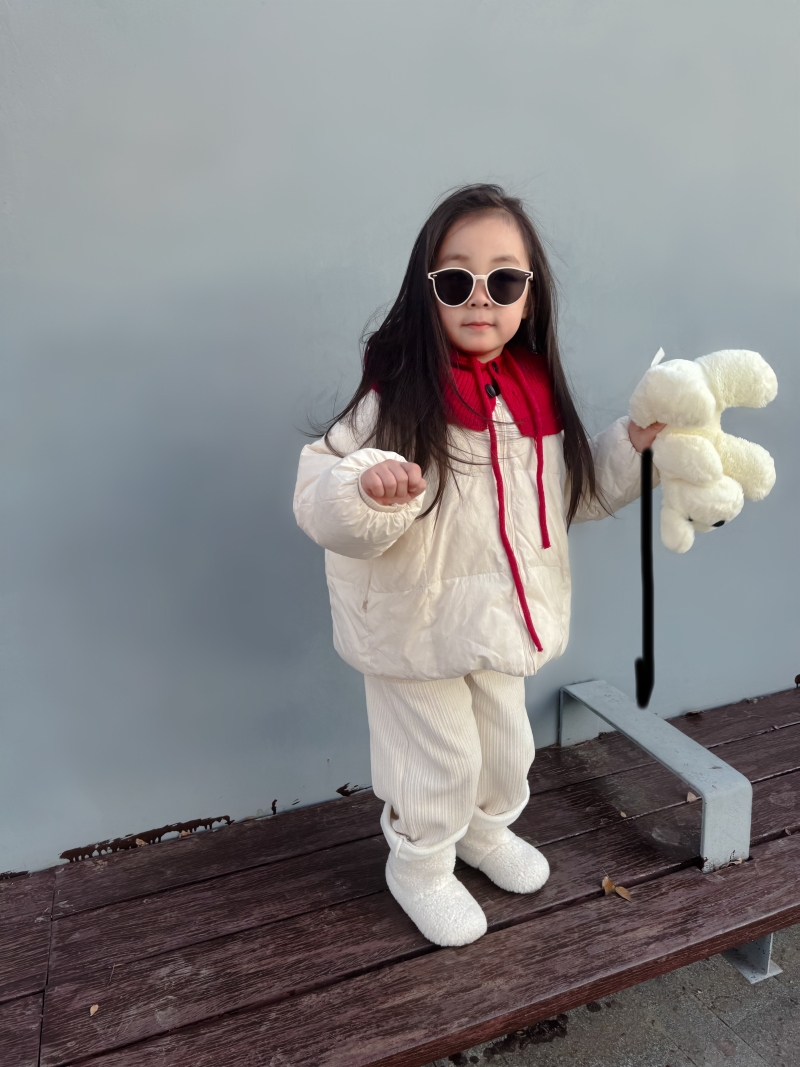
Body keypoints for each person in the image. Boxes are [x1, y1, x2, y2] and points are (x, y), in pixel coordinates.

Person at [293, 184, 664, 947]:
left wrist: (631, 446)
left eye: (505, 279)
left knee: (504, 748)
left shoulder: (533, 396)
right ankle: (422, 863)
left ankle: (484, 831)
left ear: (531, 294)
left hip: (497, 618)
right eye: (457, 279)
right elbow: (320, 494)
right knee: (438, 760)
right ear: (426, 292)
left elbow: (569, 498)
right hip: (412, 627)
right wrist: (367, 489)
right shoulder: (394, 397)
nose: (481, 297)